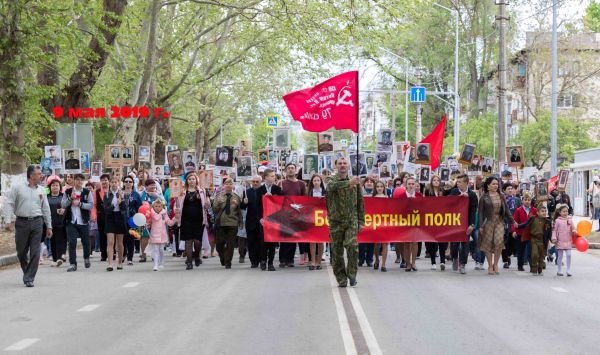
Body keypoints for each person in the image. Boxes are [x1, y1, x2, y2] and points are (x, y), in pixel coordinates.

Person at [3, 165, 53, 287]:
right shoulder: (17, 188)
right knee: (21, 252)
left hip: (37, 222)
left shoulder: (42, 190)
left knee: (35, 251)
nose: (41, 175)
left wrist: (49, 226)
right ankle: (27, 273)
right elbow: (9, 203)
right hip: (22, 222)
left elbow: (45, 209)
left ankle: (29, 277)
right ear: (31, 175)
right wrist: (8, 220)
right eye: (38, 173)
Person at [326, 157, 365, 287]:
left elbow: (360, 202)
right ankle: (341, 278)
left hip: (351, 220)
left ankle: (352, 274)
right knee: (337, 253)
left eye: (345, 163)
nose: (342, 166)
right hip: (335, 221)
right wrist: (349, 183)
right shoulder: (331, 180)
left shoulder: (355, 182)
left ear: (348, 166)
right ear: (335, 166)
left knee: (352, 246)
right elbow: (331, 187)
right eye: (340, 163)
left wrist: (361, 220)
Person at [477, 176, 515, 275]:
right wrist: (480, 226)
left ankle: (496, 264)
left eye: (497, 184)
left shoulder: (502, 196)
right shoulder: (483, 197)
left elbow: (506, 209)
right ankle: (490, 265)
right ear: (488, 186)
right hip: (488, 222)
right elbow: (480, 212)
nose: (495, 186)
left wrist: (513, 221)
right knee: (488, 244)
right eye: (493, 184)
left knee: (499, 243)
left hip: (499, 222)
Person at [174, 172, 211, 270]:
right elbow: (177, 205)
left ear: (196, 180)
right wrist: (176, 209)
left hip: (199, 219)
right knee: (188, 241)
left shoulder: (202, 191)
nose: (191, 181)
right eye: (189, 179)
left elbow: (207, 205)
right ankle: (189, 262)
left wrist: (208, 203)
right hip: (186, 220)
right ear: (187, 181)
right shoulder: (182, 191)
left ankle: (197, 256)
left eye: (193, 179)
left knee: (197, 241)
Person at [61, 173, 94, 272]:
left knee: (86, 242)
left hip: (83, 220)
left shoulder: (87, 192)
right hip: (71, 220)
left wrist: (80, 204)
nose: (79, 182)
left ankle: (86, 257)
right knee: (72, 242)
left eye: (81, 180)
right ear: (74, 181)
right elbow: (63, 204)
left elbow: (91, 205)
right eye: (78, 180)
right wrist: (70, 199)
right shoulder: (68, 192)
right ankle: (72, 263)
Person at [279, 163, 307, 267]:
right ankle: (282, 260)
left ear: (295, 170)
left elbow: (305, 199)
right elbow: (276, 198)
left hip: (296, 215)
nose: (291, 170)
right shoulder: (281, 183)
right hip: (284, 214)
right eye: (289, 168)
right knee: (284, 238)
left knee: (293, 238)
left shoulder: (301, 184)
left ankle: (290, 260)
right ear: (286, 171)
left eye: (292, 168)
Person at [212, 178, 243, 269]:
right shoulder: (218, 196)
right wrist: (216, 203)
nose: (228, 185)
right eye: (226, 184)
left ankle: (228, 262)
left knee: (230, 244)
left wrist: (240, 222)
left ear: (233, 186)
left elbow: (239, 211)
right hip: (221, 223)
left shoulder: (236, 197)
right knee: (219, 244)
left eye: (230, 184)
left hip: (232, 223)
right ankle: (222, 257)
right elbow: (215, 209)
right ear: (223, 186)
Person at [394, 177, 422, 271]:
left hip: (415, 222)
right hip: (405, 222)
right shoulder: (401, 196)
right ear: (406, 185)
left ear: (415, 185)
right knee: (406, 243)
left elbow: (424, 208)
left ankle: (413, 262)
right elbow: (398, 209)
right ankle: (408, 263)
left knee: (414, 242)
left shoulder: (419, 195)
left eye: (412, 184)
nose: (411, 185)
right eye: (409, 184)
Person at [258, 169, 283, 270]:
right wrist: (260, 218)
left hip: (274, 219)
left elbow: (281, 205)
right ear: (266, 177)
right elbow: (256, 206)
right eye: (271, 176)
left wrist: (272, 198)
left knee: (272, 242)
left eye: (274, 176)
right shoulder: (259, 190)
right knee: (263, 242)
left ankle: (271, 263)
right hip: (263, 220)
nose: (274, 177)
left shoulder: (277, 189)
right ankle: (263, 260)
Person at [517, 202, 551, 275]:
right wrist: (518, 226)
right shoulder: (533, 219)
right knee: (534, 254)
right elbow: (525, 224)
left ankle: (540, 270)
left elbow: (549, 232)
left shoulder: (548, 221)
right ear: (537, 212)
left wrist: (552, 239)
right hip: (533, 239)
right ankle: (534, 269)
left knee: (541, 256)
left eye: (545, 211)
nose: (544, 213)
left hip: (542, 240)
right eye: (542, 211)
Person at [424, 175, 448, 271]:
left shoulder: (443, 191)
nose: (436, 181)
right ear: (431, 181)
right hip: (431, 219)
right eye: (434, 180)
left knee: (442, 241)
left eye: (438, 180)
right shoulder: (427, 191)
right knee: (432, 242)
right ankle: (433, 262)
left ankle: (442, 261)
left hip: (442, 219)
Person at [103, 176, 127, 271]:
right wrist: (113, 205)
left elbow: (125, 209)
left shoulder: (122, 194)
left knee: (120, 242)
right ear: (110, 183)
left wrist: (121, 203)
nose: (113, 184)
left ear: (118, 183)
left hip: (120, 218)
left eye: (115, 182)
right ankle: (110, 264)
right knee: (110, 242)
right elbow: (105, 209)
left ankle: (120, 262)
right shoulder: (107, 195)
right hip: (110, 218)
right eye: (112, 182)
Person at [139, 179, 166, 262]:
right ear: (146, 186)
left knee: (155, 237)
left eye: (154, 185)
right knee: (144, 237)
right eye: (150, 185)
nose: (153, 186)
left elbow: (164, 204)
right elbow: (141, 204)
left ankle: (154, 255)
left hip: (156, 219)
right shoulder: (142, 194)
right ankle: (143, 255)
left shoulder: (158, 194)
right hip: (144, 218)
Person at [146, 199, 176, 271]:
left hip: (162, 234)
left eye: (159, 206)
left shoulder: (164, 213)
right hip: (154, 234)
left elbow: (169, 222)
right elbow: (148, 223)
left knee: (161, 250)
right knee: (155, 250)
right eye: (156, 206)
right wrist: (146, 224)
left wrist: (175, 219)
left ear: (162, 207)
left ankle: (161, 262)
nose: (157, 207)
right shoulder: (151, 214)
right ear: (153, 206)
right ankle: (155, 264)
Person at [241, 176, 263, 268]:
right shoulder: (247, 192)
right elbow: (242, 207)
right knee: (251, 242)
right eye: (253, 181)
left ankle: (261, 259)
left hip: (261, 221)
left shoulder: (264, 191)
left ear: (260, 182)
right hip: (250, 221)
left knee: (261, 242)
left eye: (257, 181)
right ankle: (253, 261)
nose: (255, 183)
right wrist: (244, 202)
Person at [307, 174, 326, 270]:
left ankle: (319, 262)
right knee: (312, 240)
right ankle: (313, 261)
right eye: (314, 180)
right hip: (312, 218)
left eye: (318, 180)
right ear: (312, 182)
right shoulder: (309, 192)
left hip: (322, 218)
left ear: (321, 182)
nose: (316, 182)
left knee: (321, 241)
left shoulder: (325, 192)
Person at [121, 175, 141, 266]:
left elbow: (139, 207)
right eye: (126, 181)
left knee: (131, 238)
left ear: (133, 183)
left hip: (133, 219)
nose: (128, 183)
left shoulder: (136, 194)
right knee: (123, 238)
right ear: (123, 183)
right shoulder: (120, 193)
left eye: (130, 181)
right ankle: (124, 253)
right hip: (121, 218)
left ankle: (130, 258)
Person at [512, 192, 535, 272]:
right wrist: (514, 231)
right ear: (522, 201)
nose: (527, 201)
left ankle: (532, 266)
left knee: (530, 250)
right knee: (520, 250)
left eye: (529, 200)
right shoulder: (518, 210)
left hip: (531, 233)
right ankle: (520, 265)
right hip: (520, 233)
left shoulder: (534, 210)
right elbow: (515, 221)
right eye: (525, 200)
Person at [47, 177, 67, 267]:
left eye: (57, 185)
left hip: (61, 222)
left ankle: (59, 257)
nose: (55, 187)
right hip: (50, 223)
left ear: (60, 187)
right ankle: (55, 258)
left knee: (60, 240)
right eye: (53, 185)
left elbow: (68, 207)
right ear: (50, 187)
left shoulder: (63, 196)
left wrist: (63, 210)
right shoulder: (46, 197)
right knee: (52, 241)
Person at [502, 183, 522, 269]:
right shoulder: (502, 200)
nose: (510, 190)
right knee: (504, 242)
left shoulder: (517, 200)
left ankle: (509, 255)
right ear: (504, 190)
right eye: (508, 189)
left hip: (514, 223)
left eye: (511, 188)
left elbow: (520, 211)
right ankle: (505, 260)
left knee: (512, 242)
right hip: (504, 223)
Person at [552, 204, 575, 276]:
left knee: (569, 255)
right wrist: (554, 238)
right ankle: (559, 270)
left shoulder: (570, 220)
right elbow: (554, 230)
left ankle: (568, 270)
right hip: (560, 241)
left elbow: (573, 228)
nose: (565, 213)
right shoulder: (557, 221)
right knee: (560, 256)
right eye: (563, 211)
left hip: (568, 240)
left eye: (566, 211)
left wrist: (574, 231)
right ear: (560, 212)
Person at [372, 181, 389, 272]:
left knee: (385, 243)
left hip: (385, 222)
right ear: (375, 188)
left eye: (381, 186)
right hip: (376, 223)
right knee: (377, 244)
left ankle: (383, 264)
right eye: (377, 186)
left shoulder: (387, 198)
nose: (379, 188)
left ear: (383, 188)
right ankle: (377, 259)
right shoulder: (372, 198)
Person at [358, 177, 375, 268]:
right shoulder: (359, 193)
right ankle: (361, 259)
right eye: (367, 181)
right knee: (361, 241)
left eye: (371, 182)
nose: (369, 183)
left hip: (373, 220)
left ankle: (369, 259)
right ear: (364, 183)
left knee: (371, 241)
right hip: (362, 219)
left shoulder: (376, 194)